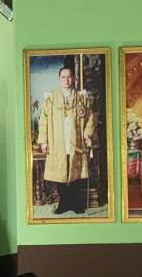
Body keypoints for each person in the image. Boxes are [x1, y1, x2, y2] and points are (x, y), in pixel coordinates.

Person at [36, 63, 97, 216]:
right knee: (60, 172)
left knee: (75, 171)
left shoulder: (81, 97)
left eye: (69, 77)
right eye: (63, 77)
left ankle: (75, 203)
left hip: (76, 141)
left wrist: (87, 134)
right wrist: (44, 141)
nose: (66, 80)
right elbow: (43, 120)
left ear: (73, 78)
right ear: (59, 79)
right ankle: (63, 203)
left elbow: (90, 117)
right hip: (57, 142)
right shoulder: (50, 98)